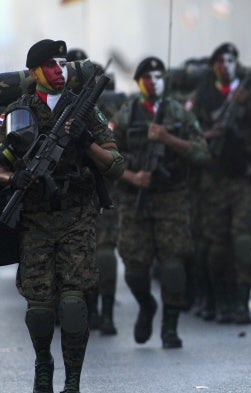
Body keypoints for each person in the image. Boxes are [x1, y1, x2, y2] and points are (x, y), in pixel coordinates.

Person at [0, 39, 124, 393]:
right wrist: (15, 177)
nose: (60, 72)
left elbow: (116, 166)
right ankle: (43, 363)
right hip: (35, 219)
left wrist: (88, 145)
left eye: (63, 65)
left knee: (72, 305)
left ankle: (72, 380)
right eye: (51, 65)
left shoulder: (84, 110)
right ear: (35, 71)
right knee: (39, 309)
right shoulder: (18, 111)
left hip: (76, 217)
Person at [110, 56, 209, 349]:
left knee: (173, 263)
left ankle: (170, 327)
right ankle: (147, 305)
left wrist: (169, 139)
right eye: (147, 77)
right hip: (134, 201)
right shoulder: (126, 114)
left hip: (171, 197)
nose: (154, 81)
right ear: (139, 82)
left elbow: (202, 153)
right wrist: (132, 176)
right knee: (134, 268)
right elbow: (107, 158)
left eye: (158, 76)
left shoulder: (178, 112)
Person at [187, 42, 251, 324]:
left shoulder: (249, 93)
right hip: (213, 180)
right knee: (217, 245)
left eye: (231, 59)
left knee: (243, 243)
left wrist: (248, 106)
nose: (226, 64)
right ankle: (221, 300)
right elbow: (187, 133)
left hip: (243, 178)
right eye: (220, 60)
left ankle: (242, 303)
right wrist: (210, 134)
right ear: (213, 66)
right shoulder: (203, 96)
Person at [66, 47, 122, 335]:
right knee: (81, 259)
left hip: (99, 191)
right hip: (68, 198)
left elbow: (115, 156)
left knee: (102, 253)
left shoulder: (100, 111)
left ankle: (105, 311)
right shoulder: (57, 107)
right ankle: (90, 309)